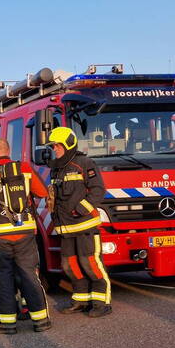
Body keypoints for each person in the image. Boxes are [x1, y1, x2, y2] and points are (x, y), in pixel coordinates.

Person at [0, 138, 51, 334]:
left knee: (4, 277)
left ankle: (7, 324)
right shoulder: (24, 168)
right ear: (8, 151)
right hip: (25, 231)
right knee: (30, 274)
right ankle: (41, 320)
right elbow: (41, 192)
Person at [47, 127, 112, 317]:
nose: (55, 149)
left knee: (90, 263)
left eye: (58, 145)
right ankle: (81, 300)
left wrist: (81, 209)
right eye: (54, 146)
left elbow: (98, 189)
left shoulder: (85, 162)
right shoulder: (56, 168)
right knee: (69, 265)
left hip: (85, 226)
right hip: (65, 228)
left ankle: (102, 303)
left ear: (68, 144)